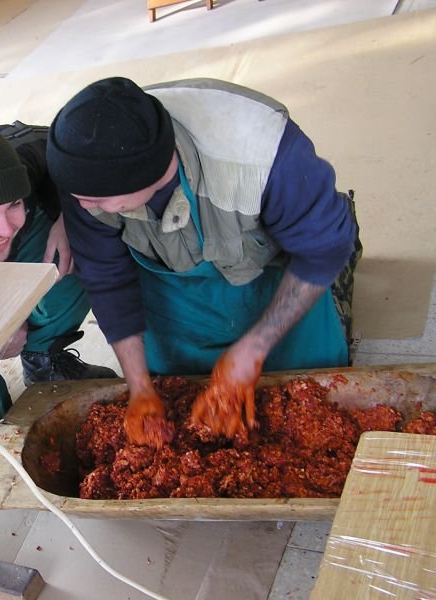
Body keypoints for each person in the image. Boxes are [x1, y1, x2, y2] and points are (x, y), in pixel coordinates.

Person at [45, 77, 361, 444]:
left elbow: (322, 251)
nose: (82, 206)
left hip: (272, 279)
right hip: (175, 299)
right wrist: (140, 387)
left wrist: (254, 348)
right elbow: (106, 280)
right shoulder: (86, 174)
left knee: (310, 405)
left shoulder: (262, 152)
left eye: (95, 199)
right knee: (176, 390)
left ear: (143, 175)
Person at [0, 117, 117, 457]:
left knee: (82, 238)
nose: (4, 227)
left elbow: (89, 163)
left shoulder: (31, 153)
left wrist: (67, 217)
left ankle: (44, 358)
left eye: (14, 204)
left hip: (22, 242)